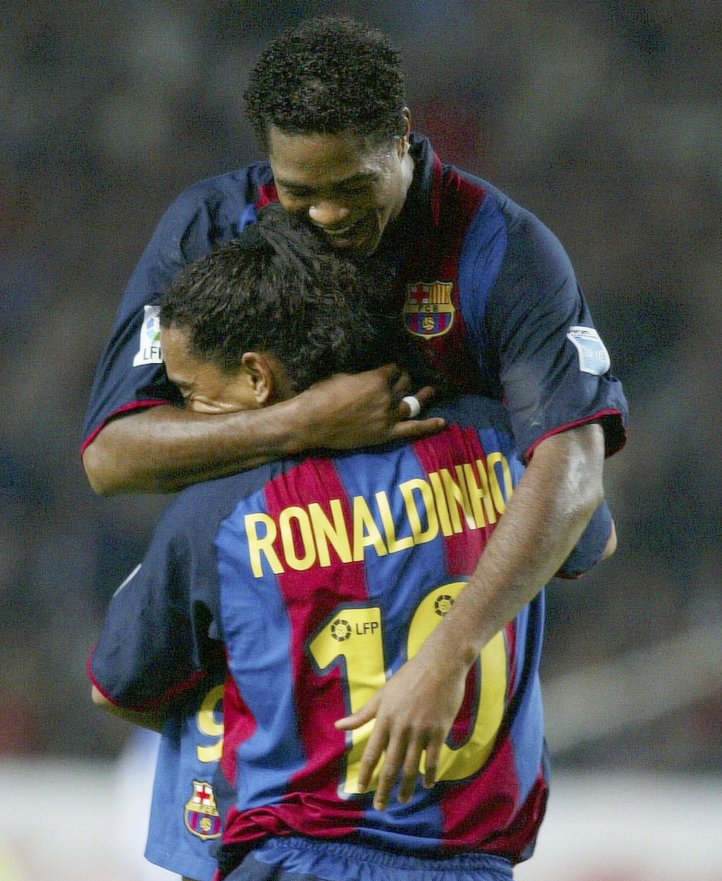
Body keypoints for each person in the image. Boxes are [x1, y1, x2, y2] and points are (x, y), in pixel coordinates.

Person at [82, 16, 627, 816]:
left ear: (403, 138)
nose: (328, 217)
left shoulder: (499, 247)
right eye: (300, 194)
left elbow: (578, 476)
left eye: (353, 188)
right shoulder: (209, 227)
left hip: (431, 660)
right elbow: (112, 455)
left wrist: (447, 653)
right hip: (259, 628)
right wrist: (305, 422)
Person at [89, 206, 616, 881]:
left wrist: (284, 703)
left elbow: (118, 685)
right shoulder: (507, 450)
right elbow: (591, 528)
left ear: (257, 375)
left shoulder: (219, 508)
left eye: (193, 391)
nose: (188, 416)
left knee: (207, 684)